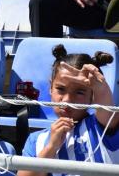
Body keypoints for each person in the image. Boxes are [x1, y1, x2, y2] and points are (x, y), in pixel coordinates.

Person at [18, 44, 119, 174]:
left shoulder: (101, 127)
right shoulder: (37, 140)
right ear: (50, 88)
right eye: (60, 89)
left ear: (93, 96)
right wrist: (51, 148)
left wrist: (100, 88)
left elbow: (108, 111)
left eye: (80, 92)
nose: (67, 100)